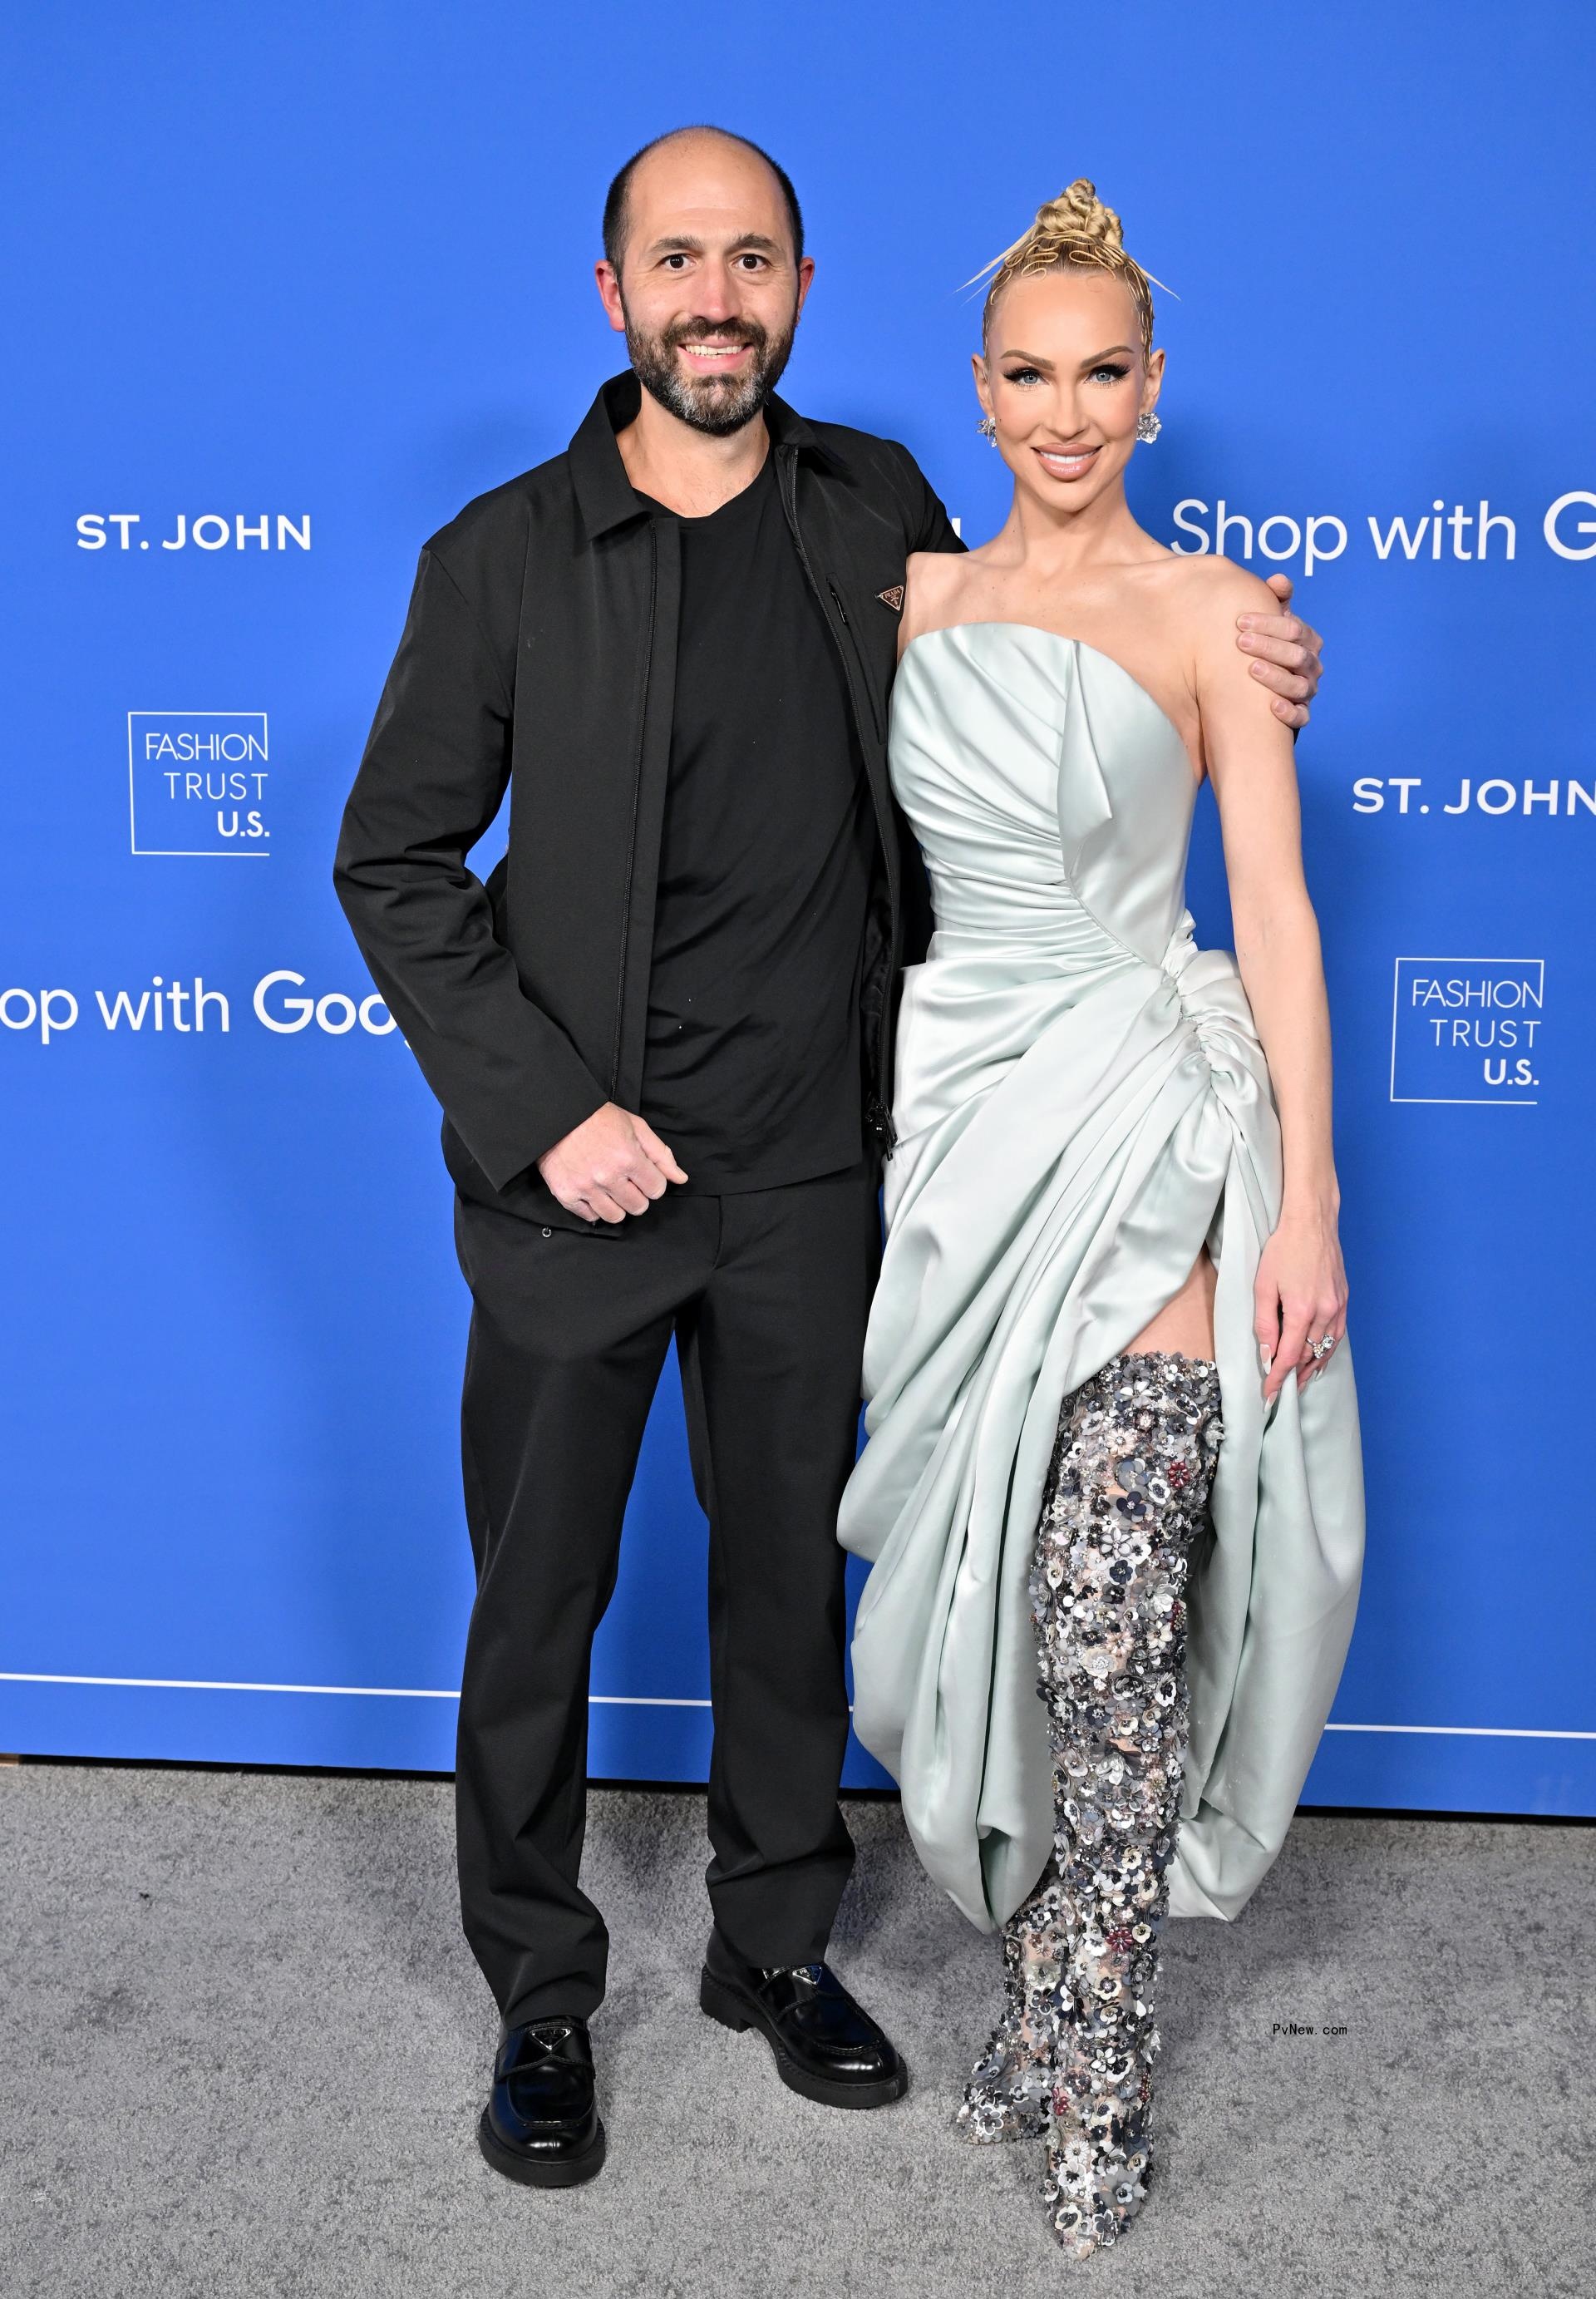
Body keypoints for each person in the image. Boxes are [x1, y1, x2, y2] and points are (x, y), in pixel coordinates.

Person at [332, 130, 1328, 2192]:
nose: (717, 298)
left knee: (788, 1578)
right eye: (677, 261)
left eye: (754, 259)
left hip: (818, 1173)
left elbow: (1048, 673)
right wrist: (549, 1116)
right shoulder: (496, 557)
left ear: (798, 285)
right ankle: (540, 1991)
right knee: (540, 1596)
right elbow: (393, 862)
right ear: (615, 295)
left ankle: (773, 1943)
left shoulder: (884, 514)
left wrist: (1251, 660)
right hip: (577, 1184)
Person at [835, 179, 1365, 2257]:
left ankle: (1096, 2049)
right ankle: (1046, 1991)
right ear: (979, 393)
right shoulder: (906, 594)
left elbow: (1278, 915)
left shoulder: (1219, 612)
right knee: (980, 1617)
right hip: (962, 1132)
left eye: (1105, 373)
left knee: (1111, 1617)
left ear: (1156, 389)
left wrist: (1309, 1206)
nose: (1068, 413)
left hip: (1148, 1124)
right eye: (1030, 375)